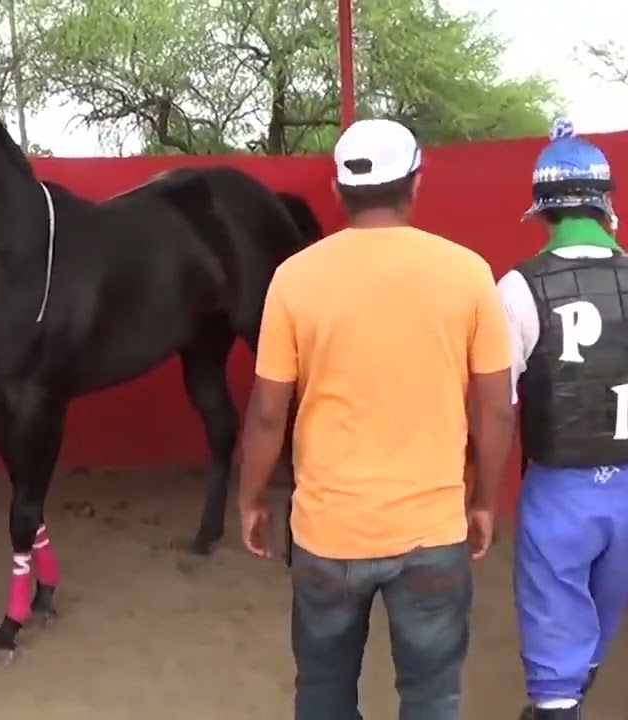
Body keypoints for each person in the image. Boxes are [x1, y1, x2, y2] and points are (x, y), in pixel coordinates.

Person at [235, 118, 516, 719]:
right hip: (432, 533)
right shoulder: (467, 272)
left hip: (326, 533)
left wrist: (251, 497)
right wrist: (485, 500)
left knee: (323, 693)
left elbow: (265, 413)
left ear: (338, 191)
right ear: (416, 181)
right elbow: (496, 408)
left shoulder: (294, 278)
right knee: (431, 696)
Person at [498, 119, 628, 720]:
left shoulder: (519, 287)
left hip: (560, 495)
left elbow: (496, 401)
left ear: (543, 210)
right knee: (595, 634)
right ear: (606, 205)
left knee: (555, 656)